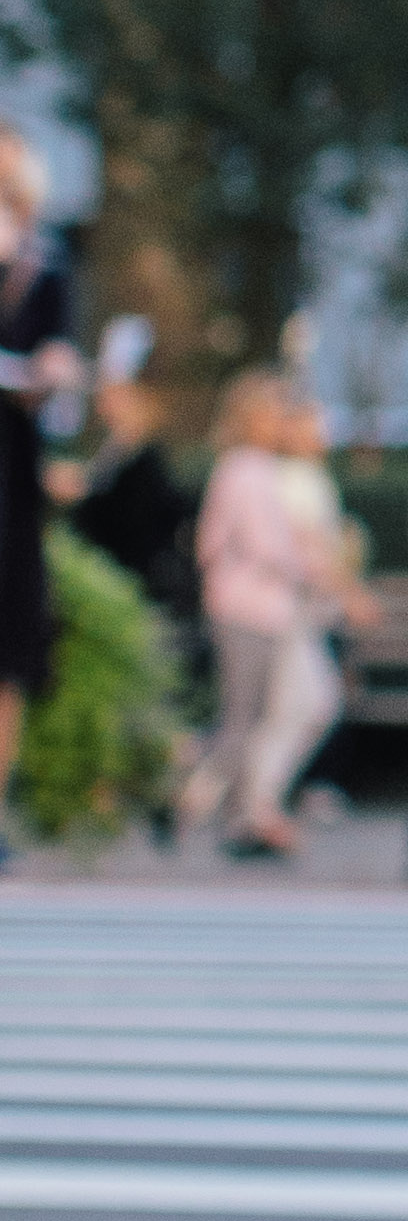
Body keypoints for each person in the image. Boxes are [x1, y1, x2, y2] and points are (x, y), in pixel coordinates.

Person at [190, 365, 358, 864]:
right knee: (246, 715)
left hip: (266, 610)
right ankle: (188, 795)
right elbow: (265, 545)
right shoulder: (243, 470)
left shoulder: (257, 470)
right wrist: (313, 571)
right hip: (248, 607)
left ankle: (241, 812)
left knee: (259, 714)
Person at [0, 125, 82, 852]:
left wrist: (54, 372)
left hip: (11, 474)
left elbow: (59, 350)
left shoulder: (42, 263)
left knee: (9, 651)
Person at [66, 321, 204, 670]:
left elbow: (143, 519)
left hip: (133, 585)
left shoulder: (144, 458)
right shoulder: (111, 452)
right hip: (111, 582)